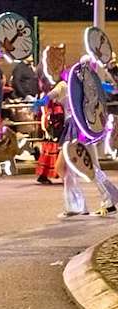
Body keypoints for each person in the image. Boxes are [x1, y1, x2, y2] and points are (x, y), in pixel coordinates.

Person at [47, 76, 118, 217]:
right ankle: (108, 199)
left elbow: (51, 95)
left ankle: (78, 205)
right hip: (83, 126)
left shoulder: (66, 84)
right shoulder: (82, 83)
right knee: (88, 166)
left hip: (76, 127)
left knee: (67, 167)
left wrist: (42, 100)